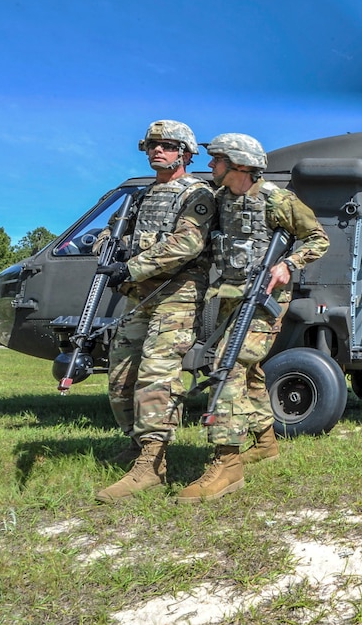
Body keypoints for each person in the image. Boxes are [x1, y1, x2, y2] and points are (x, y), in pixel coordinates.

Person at [175, 133, 329, 503]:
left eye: (217, 160)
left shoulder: (277, 200)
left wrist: (287, 265)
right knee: (251, 371)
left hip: (264, 300)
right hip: (228, 297)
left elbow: (318, 239)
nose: (210, 166)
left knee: (228, 367)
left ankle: (226, 463)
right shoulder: (217, 199)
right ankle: (265, 441)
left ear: (239, 164)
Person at [95, 120, 216, 504]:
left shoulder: (198, 193)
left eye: (165, 145)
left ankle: (152, 463)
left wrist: (131, 267)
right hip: (139, 298)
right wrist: (106, 245)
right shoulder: (144, 195)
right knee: (121, 374)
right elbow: (113, 231)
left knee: (156, 376)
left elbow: (188, 243)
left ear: (184, 152)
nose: (155, 151)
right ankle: (136, 445)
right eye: (151, 145)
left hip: (176, 295)